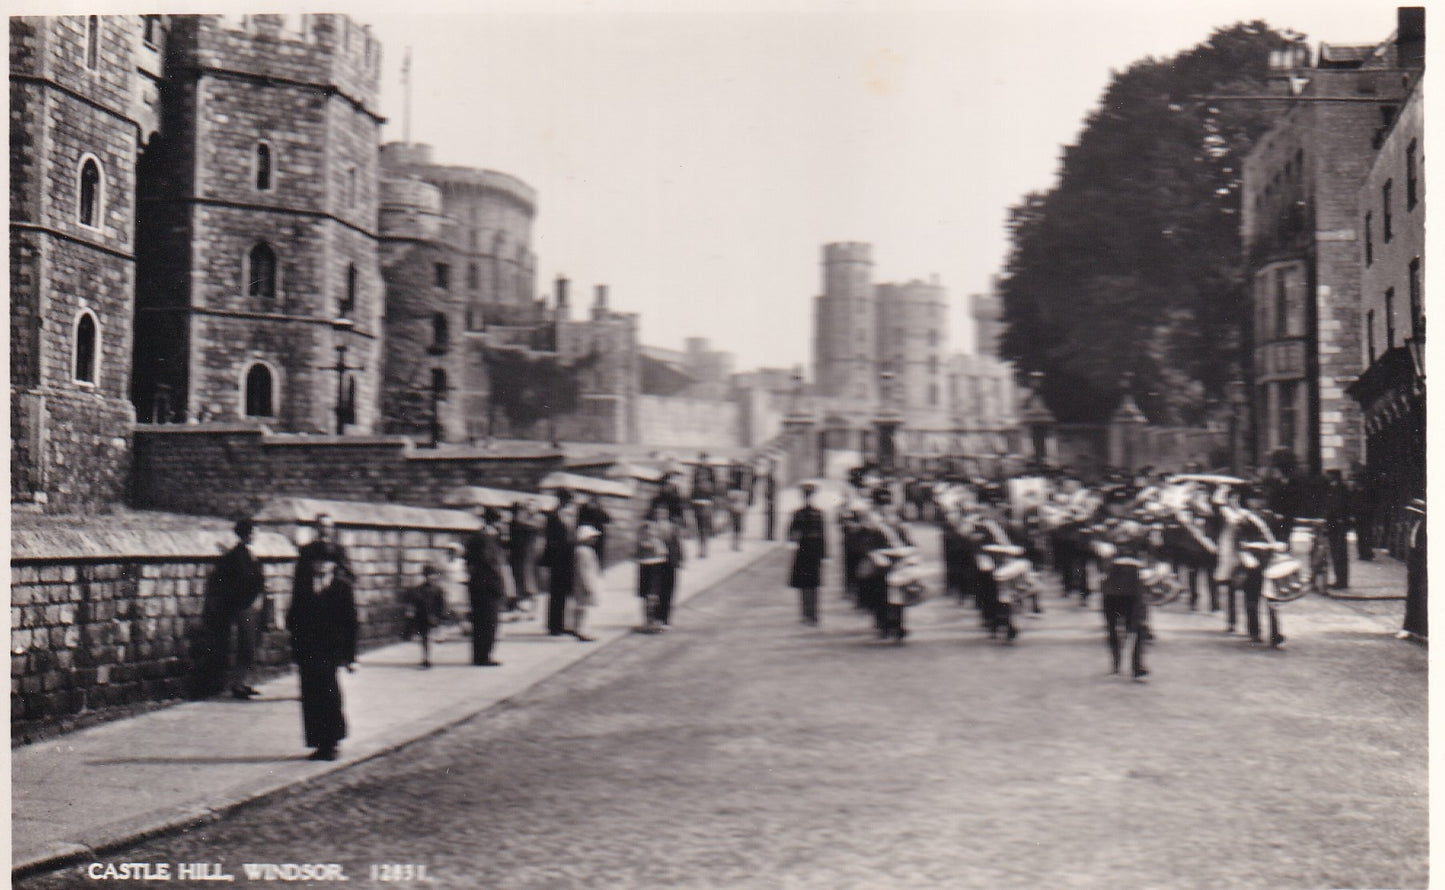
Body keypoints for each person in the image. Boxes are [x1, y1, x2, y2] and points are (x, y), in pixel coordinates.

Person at [286, 536, 357, 762]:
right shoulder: (304, 586)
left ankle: (333, 742)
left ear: (334, 564)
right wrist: (295, 646)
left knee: (330, 695)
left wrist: (350, 656)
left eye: (327, 562)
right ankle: (318, 743)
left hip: (331, 650)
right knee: (311, 697)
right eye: (317, 561)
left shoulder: (342, 587)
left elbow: (351, 623)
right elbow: (292, 618)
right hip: (308, 649)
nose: (322, 566)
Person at [195, 517, 266, 700]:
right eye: (254, 531)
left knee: (251, 644)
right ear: (248, 533)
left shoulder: (248, 553)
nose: (256, 534)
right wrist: (250, 598)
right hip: (244, 605)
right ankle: (238, 684)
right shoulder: (238, 555)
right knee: (245, 644)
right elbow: (241, 581)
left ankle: (244, 682)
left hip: (252, 605)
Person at [1093, 487, 1151, 681]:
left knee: (1137, 624)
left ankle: (1137, 665)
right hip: (1112, 582)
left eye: (1123, 504)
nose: (1120, 508)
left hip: (1134, 581)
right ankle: (1116, 662)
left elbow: (1150, 547)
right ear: (1109, 506)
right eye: (1116, 505)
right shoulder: (1102, 527)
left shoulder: (1138, 525)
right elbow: (1100, 548)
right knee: (1112, 626)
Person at [1235, 485, 1286, 648]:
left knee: (1272, 597)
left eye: (1259, 499)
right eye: (1253, 499)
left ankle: (1275, 633)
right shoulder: (1243, 519)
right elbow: (1240, 541)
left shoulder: (1271, 517)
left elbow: (1281, 536)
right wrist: (1246, 558)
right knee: (1252, 597)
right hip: (1252, 560)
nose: (1256, 502)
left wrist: (1281, 546)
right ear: (1248, 501)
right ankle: (1254, 631)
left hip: (1269, 559)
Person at [466, 508, 509, 666]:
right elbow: (489, 563)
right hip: (486, 586)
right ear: (494, 522)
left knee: (483, 622)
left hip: (482, 585)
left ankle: (481, 655)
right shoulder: (485, 539)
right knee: (487, 622)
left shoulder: (485, 537)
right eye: (501, 522)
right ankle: (483, 656)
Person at [636, 500, 685, 629]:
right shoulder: (648, 527)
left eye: (663, 513)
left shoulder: (671, 527)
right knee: (656, 590)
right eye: (658, 512)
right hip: (657, 562)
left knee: (668, 591)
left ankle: (665, 618)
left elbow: (677, 544)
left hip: (669, 562)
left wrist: (679, 559)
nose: (660, 515)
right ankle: (653, 618)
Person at [540, 490, 580, 636]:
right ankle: (554, 626)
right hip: (557, 558)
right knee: (556, 592)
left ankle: (561, 623)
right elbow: (550, 540)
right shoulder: (553, 515)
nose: (569, 503)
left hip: (567, 557)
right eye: (567, 500)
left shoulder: (569, 515)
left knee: (564, 592)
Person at [787, 482, 827, 626]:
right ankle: (813, 614)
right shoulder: (819, 513)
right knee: (812, 584)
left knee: (805, 584)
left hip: (804, 551)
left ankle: (806, 614)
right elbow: (823, 535)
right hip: (813, 551)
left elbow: (791, 535)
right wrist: (824, 554)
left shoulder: (798, 514)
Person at [403, 565, 446, 669]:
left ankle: (428, 657)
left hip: (434, 617)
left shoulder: (438, 590)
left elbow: (442, 605)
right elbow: (414, 604)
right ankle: (426, 658)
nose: (430, 578)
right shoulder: (418, 590)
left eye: (432, 575)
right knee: (425, 638)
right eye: (428, 575)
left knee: (430, 638)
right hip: (422, 617)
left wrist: (440, 617)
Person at [569, 525, 603, 641]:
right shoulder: (583, 552)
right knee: (584, 609)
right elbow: (583, 570)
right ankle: (582, 630)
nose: (594, 539)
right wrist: (588, 585)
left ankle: (581, 629)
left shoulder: (584, 551)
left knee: (583, 608)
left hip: (585, 582)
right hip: (584, 584)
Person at [507, 500, 542, 613]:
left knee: (525, 580)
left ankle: (528, 606)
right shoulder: (518, 523)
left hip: (524, 555)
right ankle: (524, 606)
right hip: (521, 555)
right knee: (523, 580)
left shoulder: (520, 523)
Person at [1399, 498, 1426, 641]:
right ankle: (1410, 628)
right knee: (1412, 598)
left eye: (1413, 513)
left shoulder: (1423, 527)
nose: (1410, 516)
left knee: (1418, 598)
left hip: (1420, 569)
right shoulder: (1414, 526)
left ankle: (1419, 630)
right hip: (1414, 568)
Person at [1322, 469, 1352, 589]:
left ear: (1334, 476)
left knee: (1340, 553)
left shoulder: (1341, 489)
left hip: (1339, 525)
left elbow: (1340, 506)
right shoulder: (1331, 488)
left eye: (1329, 475)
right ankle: (1338, 579)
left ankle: (1342, 581)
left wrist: (1341, 519)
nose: (1327, 477)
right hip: (1332, 525)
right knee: (1335, 553)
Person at [690, 454, 718, 558]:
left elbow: (715, 486)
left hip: (707, 501)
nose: (703, 461)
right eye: (701, 459)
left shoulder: (711, 470)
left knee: (704, 526)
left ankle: (704, 549)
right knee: (698, 526)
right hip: (697, 501)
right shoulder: (696, 470)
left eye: (704, 459)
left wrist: (712, 499)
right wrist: (692, 499)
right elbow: (692, 485)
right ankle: (700, 549)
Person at [577, 492, 611, 565]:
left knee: (597, 556)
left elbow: (608, 519)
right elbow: (579, 522)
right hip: (587, 535)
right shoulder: (584, 508)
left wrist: (598, 508)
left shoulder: (598, 509)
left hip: (598, 537)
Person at [761, 463, 778, 541]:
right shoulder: (770, 481)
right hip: (770, 502)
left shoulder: (771, 481)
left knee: (771, 519)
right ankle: (769, 535)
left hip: (771, 501)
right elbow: (767, 492)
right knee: (770, 519)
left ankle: (770, 535)